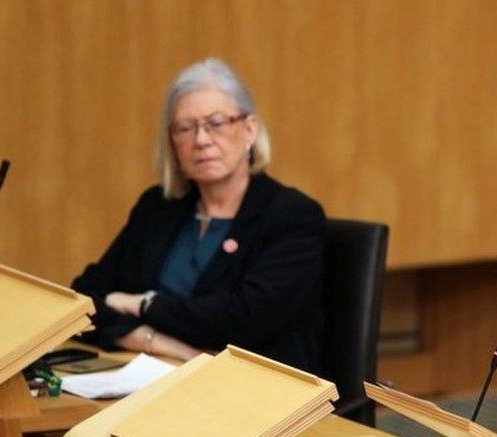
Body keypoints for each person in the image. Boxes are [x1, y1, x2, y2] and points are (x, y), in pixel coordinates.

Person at [73, 58, 325, 373]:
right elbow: (86, 296)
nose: (201, 140)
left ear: (249, 130)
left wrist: (143, 304)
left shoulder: (291, 215)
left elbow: (246, 320)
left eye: (216, 123)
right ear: (173, 143)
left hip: (254, 391)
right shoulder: (157, 208)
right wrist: (161, 343)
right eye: (185, 128)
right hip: (156, 373)